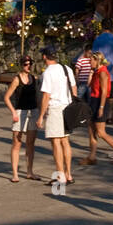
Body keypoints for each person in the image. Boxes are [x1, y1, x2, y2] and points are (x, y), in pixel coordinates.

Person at [37, 46, 76, 188]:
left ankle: (60, 175)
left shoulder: (48, 73)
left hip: (55, 108)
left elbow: (46, 95)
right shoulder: (66, 69)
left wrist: (41, 116)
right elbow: (74, 88)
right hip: (67, 107)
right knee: (65, 140)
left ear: (45, 57)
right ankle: (68, 173)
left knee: (56, 142)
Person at [3, 55, 39, 181]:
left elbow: (38, 97)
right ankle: (15, 174)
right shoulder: (17, 79)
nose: (28, 66)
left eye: (30, 63)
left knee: (31, 144)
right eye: (25, 64)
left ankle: (30, 172)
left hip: (33, 112)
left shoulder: (34, 78)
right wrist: (13, 112)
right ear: (21, 65)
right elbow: (6, 97)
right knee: (17, 143)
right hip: (20, 111)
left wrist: (40, 113)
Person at [84, 55, 113, 164]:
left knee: (100, 132)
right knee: (91, 129)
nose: (90, 62)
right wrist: (91, 72)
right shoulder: (96, 71)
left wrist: (101, 107)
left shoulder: (103, 72)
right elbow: (88, 85)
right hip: (93, 101)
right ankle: (92, 157)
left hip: (100, 101)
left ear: (97, 60)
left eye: (91, 61)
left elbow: (104, 92)